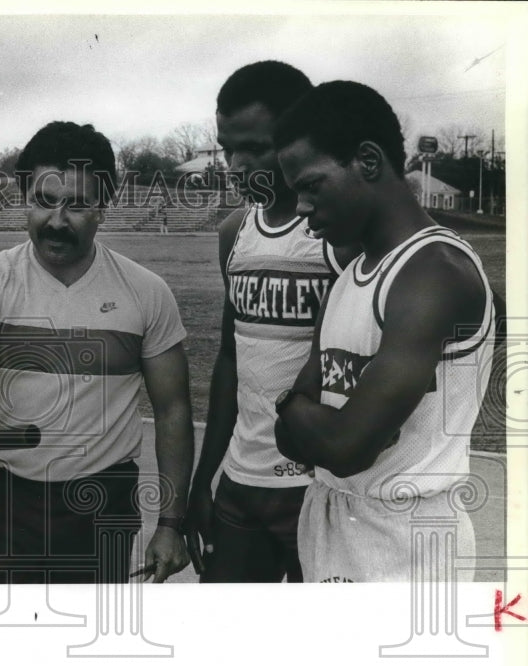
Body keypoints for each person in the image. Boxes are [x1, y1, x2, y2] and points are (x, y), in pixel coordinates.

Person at [0, 121, 194, 584]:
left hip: (105, 501)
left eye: (77, 204)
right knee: (4, 643)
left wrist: (171, 523)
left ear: (103, 207)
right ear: (24, 200)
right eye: (43, 200)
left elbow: (174, 411)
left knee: (92, 646)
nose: (57, 220)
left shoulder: (146, 291)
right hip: (9, 500)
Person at [272, 81, 496, 582]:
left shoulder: (434, 271)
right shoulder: (351, 276)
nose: (302, 208)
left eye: (311, 185)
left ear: (367, 161)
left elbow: (347, 447)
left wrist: (293, 407)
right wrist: (308, 420)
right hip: (333, 519)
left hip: (409, 540)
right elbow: (296, 439)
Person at [187, 61, 355, 583]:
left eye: (256, 148)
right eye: (226, 148)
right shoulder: (233, 232)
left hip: (321, 488)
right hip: (241, 483)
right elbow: (231, 359)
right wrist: (203, 480)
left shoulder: (340, 236)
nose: (236, 164)